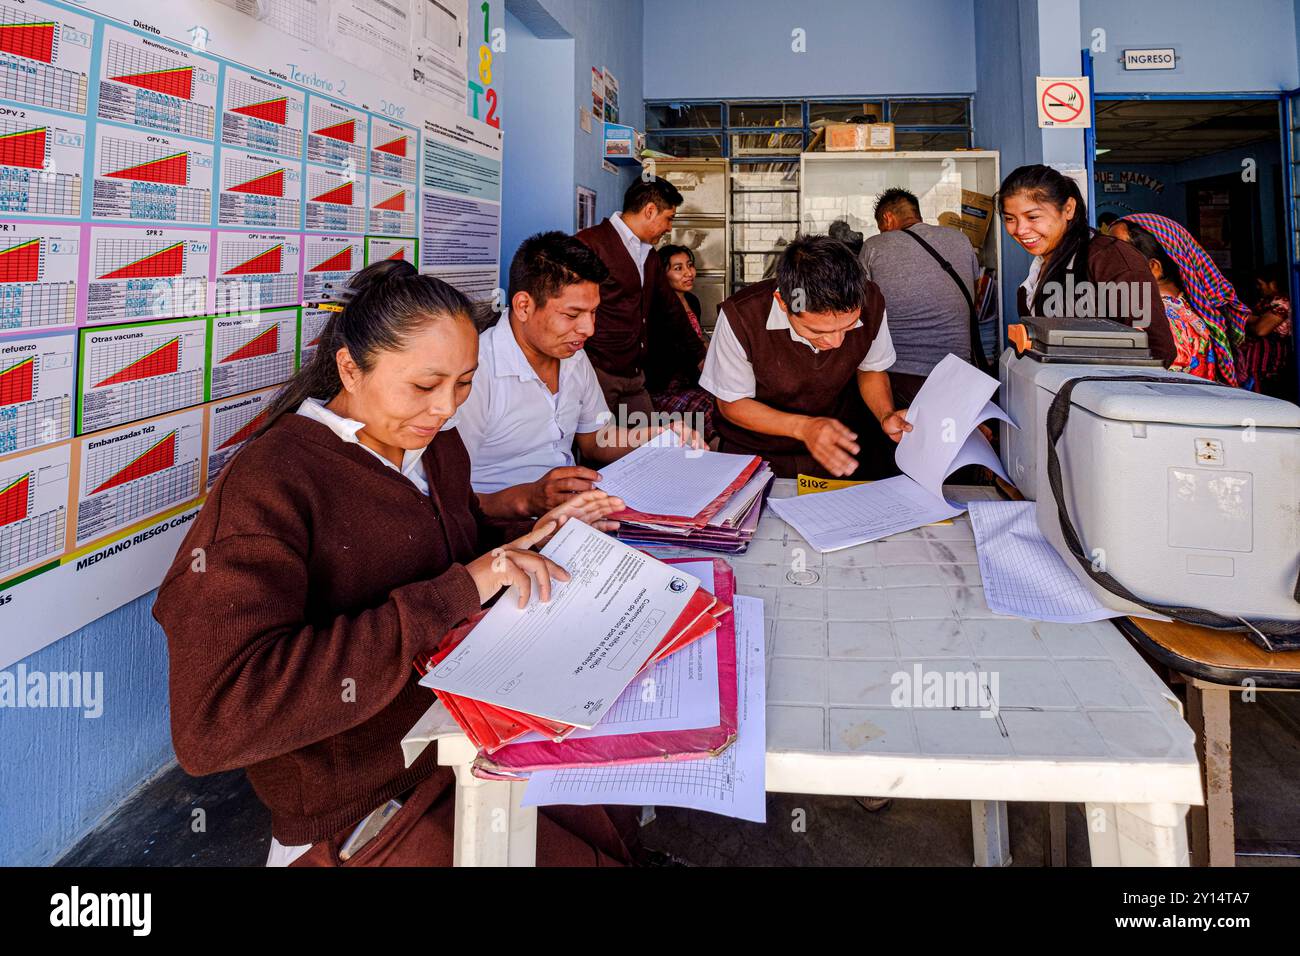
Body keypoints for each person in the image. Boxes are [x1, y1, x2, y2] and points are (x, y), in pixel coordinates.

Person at [153, 260, 635, 867]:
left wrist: (532, 537)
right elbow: (214, 722)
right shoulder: (272, 484)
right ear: (350, 367)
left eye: (464, 383)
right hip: (363, 810)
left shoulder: (433, 447)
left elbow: (448, 542)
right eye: (424, 385)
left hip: (459, 742)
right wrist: (463, 586)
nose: (446, 408)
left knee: (612, 802)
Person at [456, 231, 703, 522]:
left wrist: (657, 436)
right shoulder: (475, 370)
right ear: (524, 306)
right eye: (573, 315)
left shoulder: (573, 358)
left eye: (594, 312)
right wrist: (529, 500)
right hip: (495, 530)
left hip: (571, 518)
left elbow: (596, 439)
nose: (589, 329)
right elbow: (444, 497)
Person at [699, 234, 911, 479]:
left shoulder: (871, 301)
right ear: (784, 303)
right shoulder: (742, 316)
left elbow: (870, 368)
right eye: (817, 331)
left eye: (848, 326)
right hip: (755, 454)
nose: (836, 342)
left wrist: (885, 414)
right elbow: (731, 403)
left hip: (836, 451)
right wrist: (804, 427)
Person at [998, 164, 1176, 366]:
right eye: (1010, 219)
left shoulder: (1111, 259)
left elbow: (1157, 349)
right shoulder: (1042, 264)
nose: (1020, 229)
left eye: (1033, 217)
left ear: (1068, 209)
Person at [576, 177, 705, 425]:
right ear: (649, 210)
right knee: (597, 447)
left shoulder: (649, 256)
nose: (669, 228)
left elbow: (671, 310)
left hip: (634, 374)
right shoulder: (591, 245)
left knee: (647, 448)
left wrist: (699, 356)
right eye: (668, 218)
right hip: (598, 372)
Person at [859, 187, 984, 407]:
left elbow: (862, 307)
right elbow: (976, 295)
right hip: (958, 372)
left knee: (900, 436)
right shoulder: (960, 240)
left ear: (887, 218)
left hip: (897, 374)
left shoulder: (873, 246)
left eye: (881, 228)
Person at [1108, 214, 1248, 383]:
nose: (1104, 260)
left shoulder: (1156, 321)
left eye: (1116, 254)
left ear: (1153, 269)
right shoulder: (1187, 312)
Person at [648, 243, 715, 440]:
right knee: (711, 409)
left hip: (694, 381)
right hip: (667, 388)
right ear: (662, 274)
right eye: (678, 268)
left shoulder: (693, 301)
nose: (688, 273)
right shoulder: (657, 309)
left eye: (690, 265)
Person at [1237, 263, 1294, 397]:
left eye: (1260, 284)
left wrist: (1250, 320)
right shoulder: (1266, 302)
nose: (1258, 288)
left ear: (1272, 284)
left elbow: (1260, 330)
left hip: (1267, 365)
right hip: (1255, 366)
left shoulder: (1282, 303)